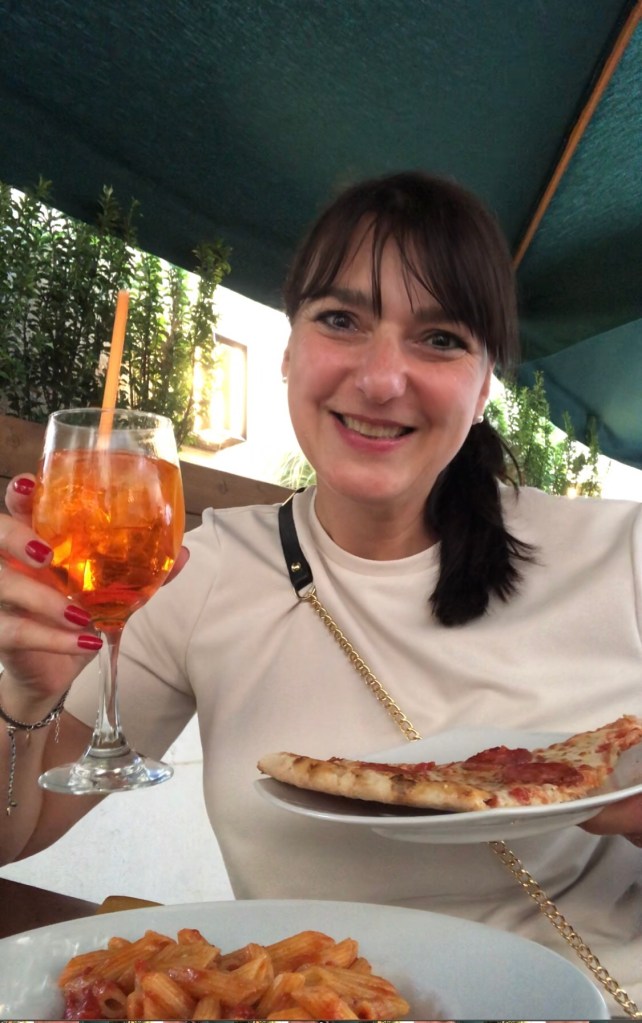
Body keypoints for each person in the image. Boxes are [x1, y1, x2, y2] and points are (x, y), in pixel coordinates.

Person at [0, 171, 641, 1013]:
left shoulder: (623, 553)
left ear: (487, 382)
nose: (381, 379)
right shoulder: (197, 570)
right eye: (341, 320)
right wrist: (22, 694)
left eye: (440, 338)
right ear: (288, 348)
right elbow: (17, 832)